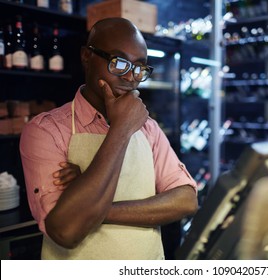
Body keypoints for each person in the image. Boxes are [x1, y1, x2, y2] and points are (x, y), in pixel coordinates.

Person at [19, 17, 198, 260]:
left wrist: (94, 209)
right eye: (119, 62)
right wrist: (122, 128)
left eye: (139, 67)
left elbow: (185, 200)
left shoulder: (149, 128)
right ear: (86, 56)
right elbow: (65, 231)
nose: (130, 77)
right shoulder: (46, 130)